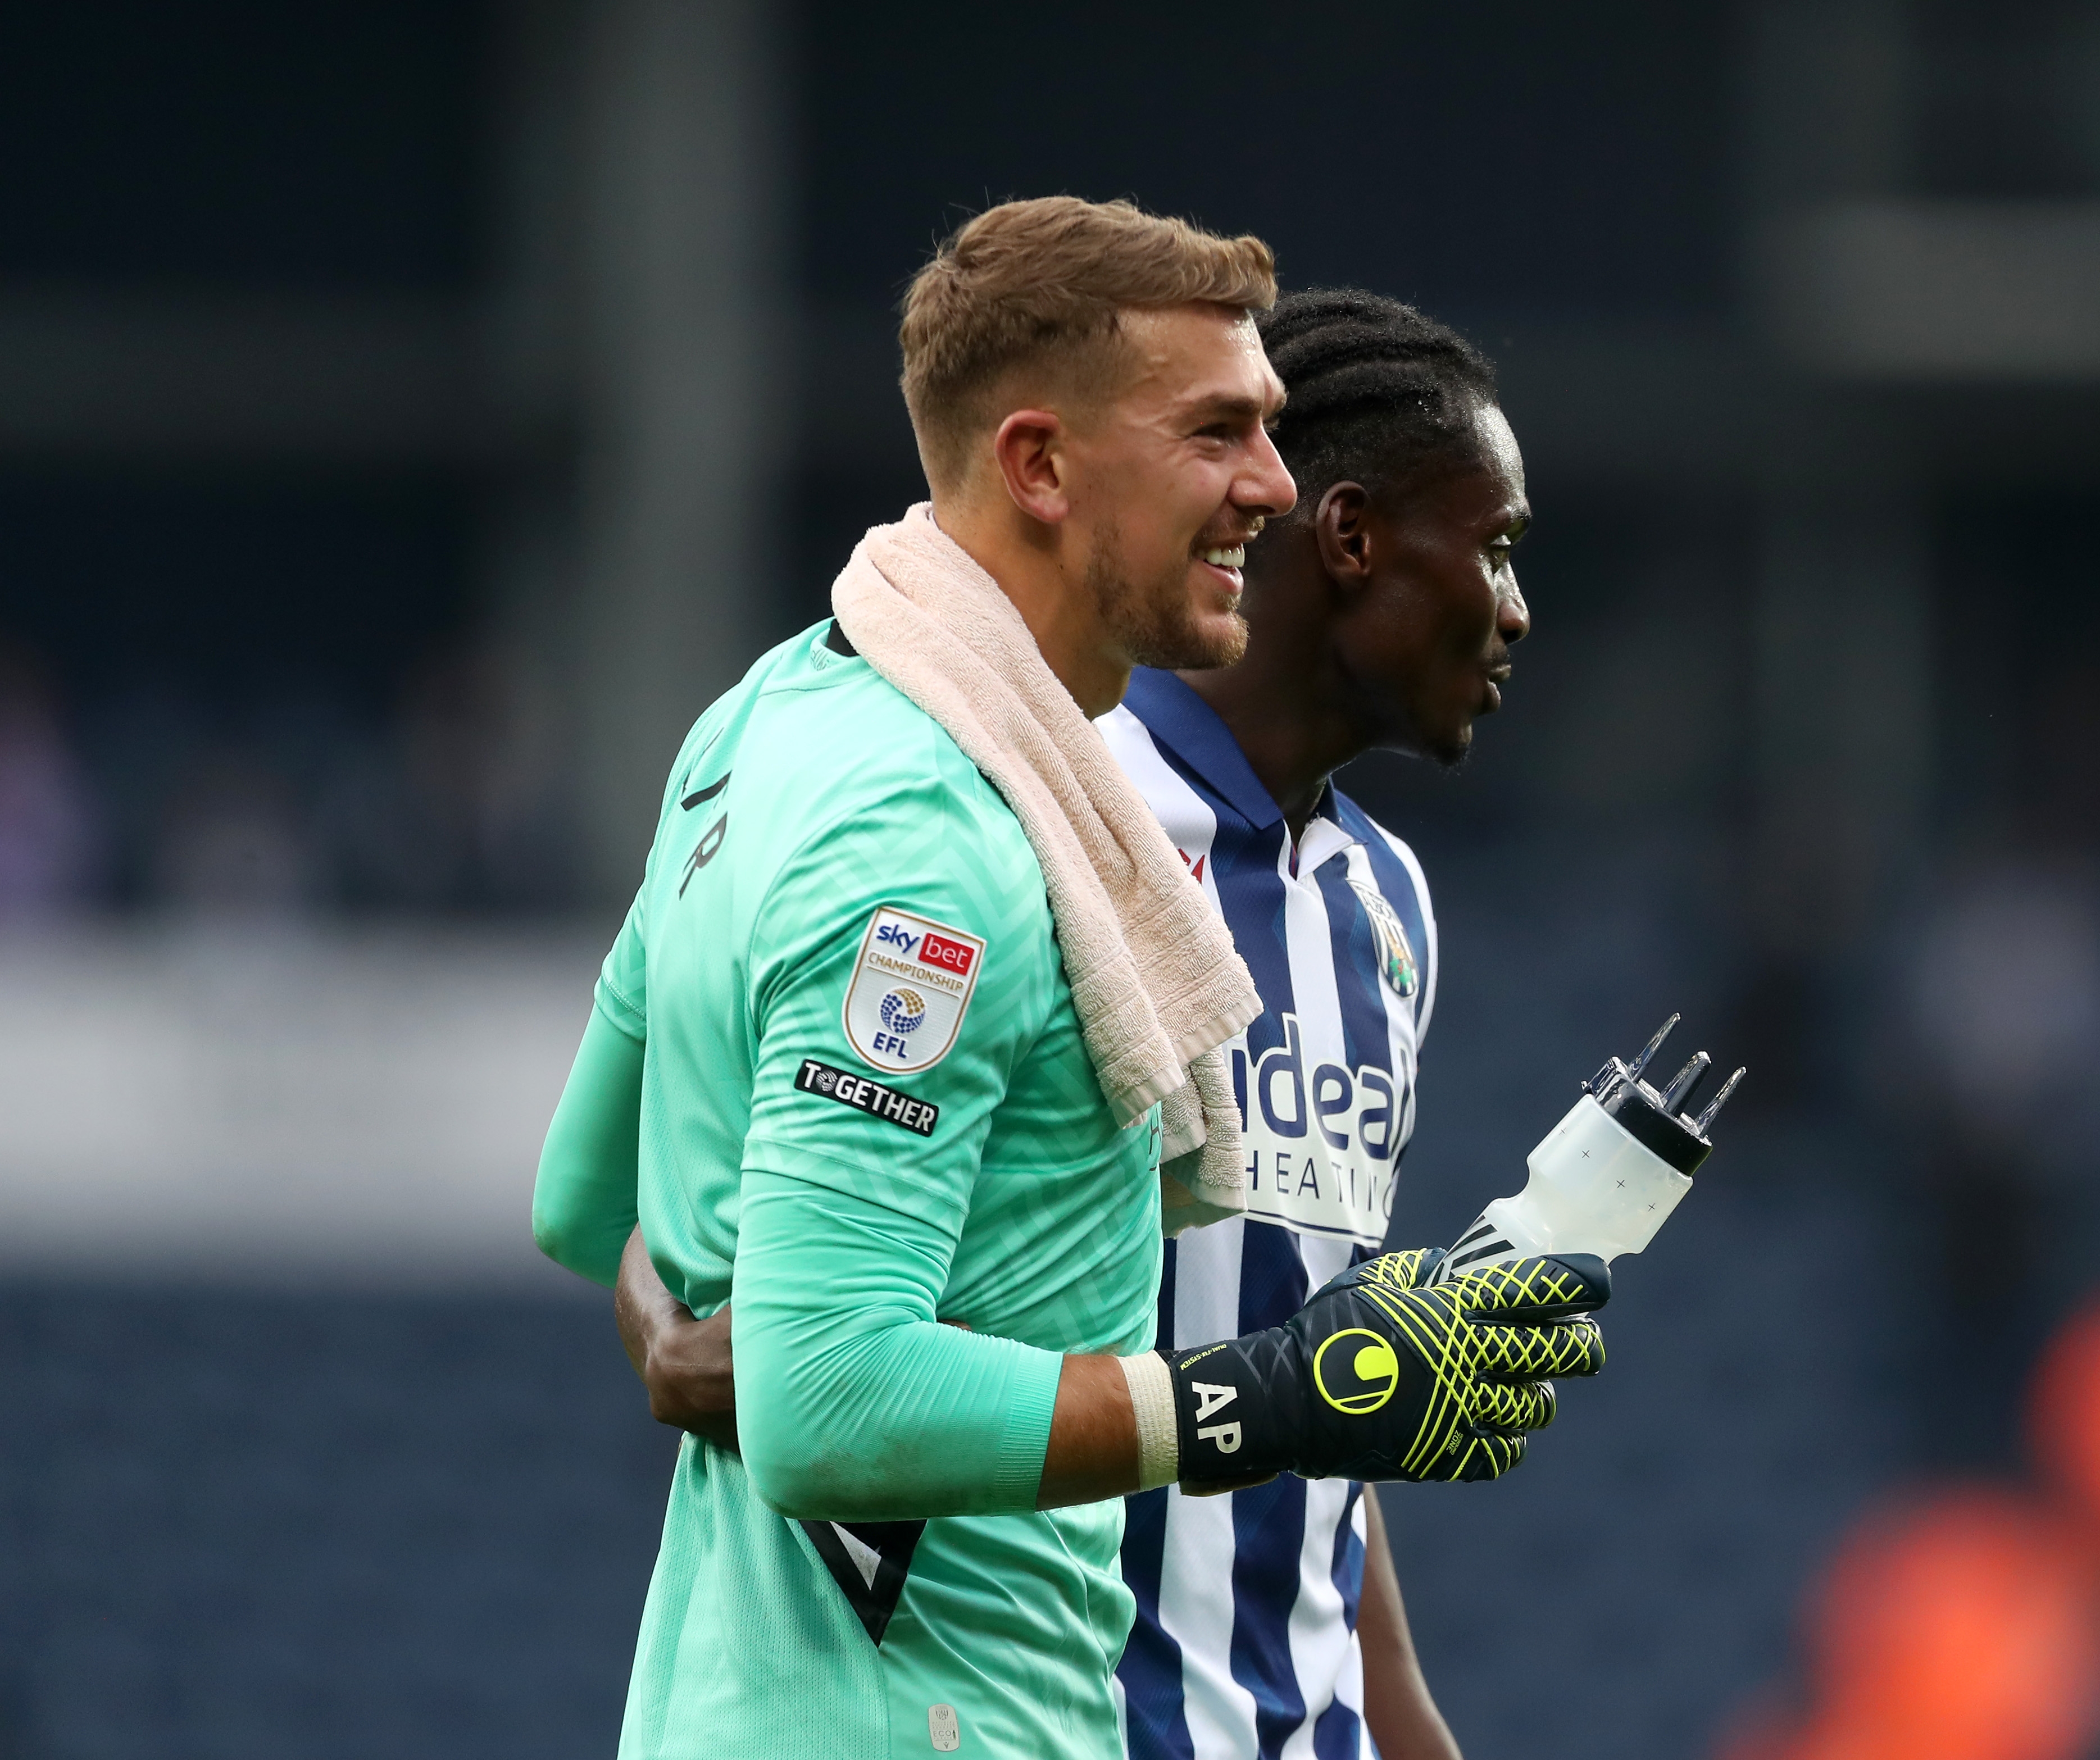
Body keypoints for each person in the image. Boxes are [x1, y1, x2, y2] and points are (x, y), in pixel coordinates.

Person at [535, 198, 1608, 1760]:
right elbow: (828, 1384)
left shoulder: (774, 724)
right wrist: (743, 1343)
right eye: (1224, 434)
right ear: (1040, 463)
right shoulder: (989, 828)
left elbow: (592, 1197)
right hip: (959, 1714)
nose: (1270, 482)